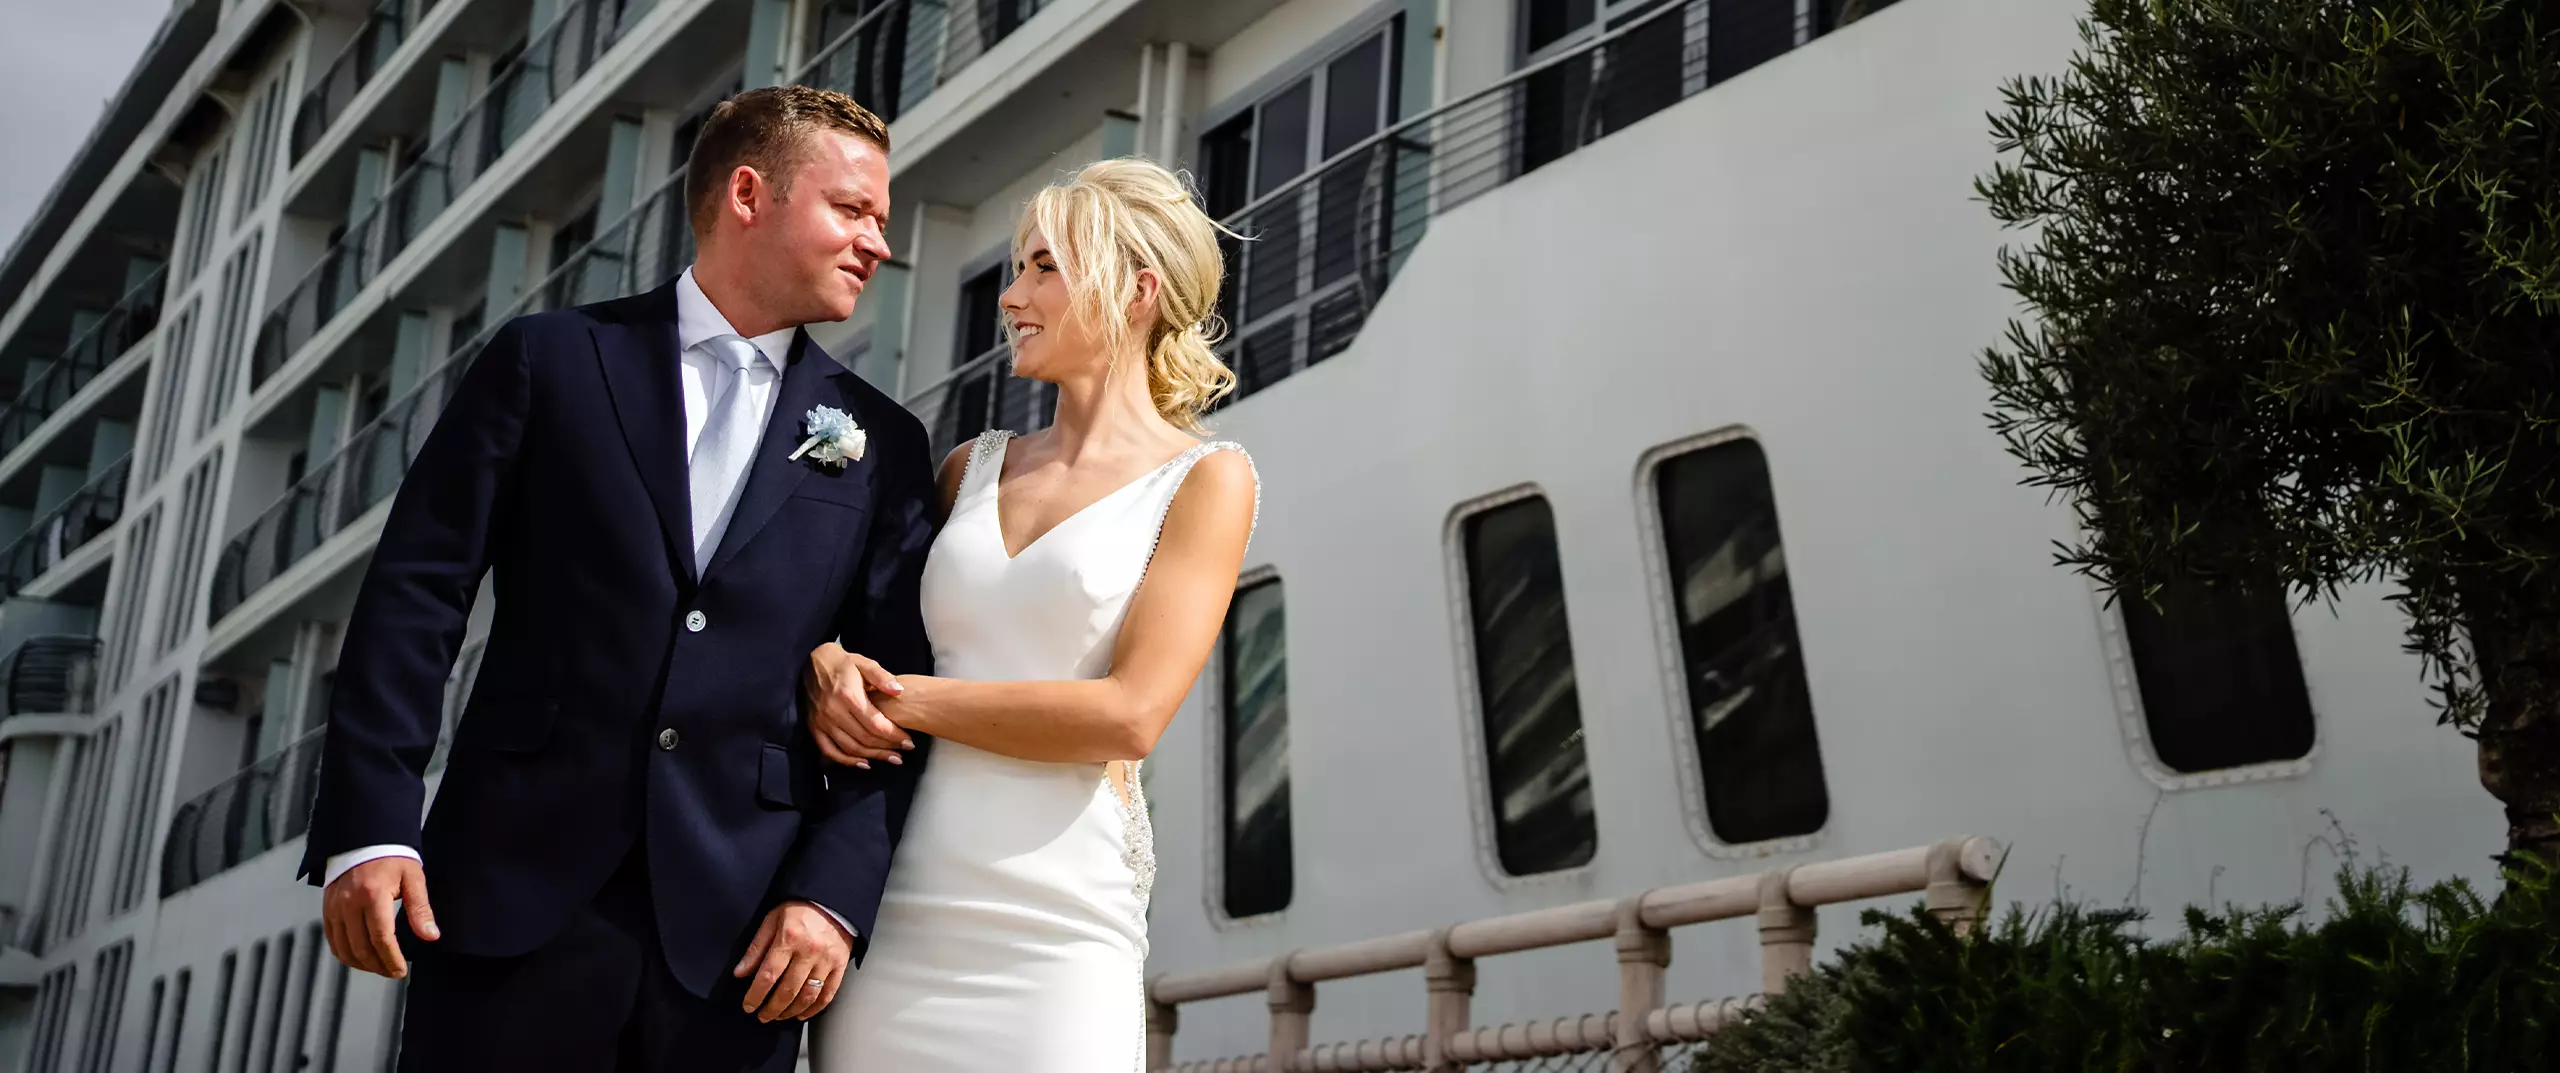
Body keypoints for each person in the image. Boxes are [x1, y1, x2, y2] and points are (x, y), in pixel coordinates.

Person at [300, 85, 937, 1072]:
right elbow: (414, 596)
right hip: (507, 893)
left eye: (880, 221)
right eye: (852, 210)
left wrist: (830, 896)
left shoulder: (884, 443)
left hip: (742, 940)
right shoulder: (546, 361)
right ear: (746, 193)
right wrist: (370, 827)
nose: (877, 244)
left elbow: (891, 698)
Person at [805, 157, 1261, 1071]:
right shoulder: (966, 466)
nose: (1013, 295)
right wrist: (827, 660)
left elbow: (1129, 715)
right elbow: (860, 633)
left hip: (1061, 927)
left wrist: (901, 701)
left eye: (1044, 268)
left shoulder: (1208, 480)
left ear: (1136, 290)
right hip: (896, 911)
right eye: (1017, 268)